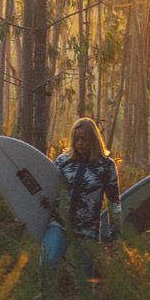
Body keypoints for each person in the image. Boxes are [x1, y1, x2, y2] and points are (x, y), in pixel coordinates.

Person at [40, 117, 122, 288]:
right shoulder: (63, 161)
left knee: (84, 280)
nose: (79, 143)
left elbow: (114, 200)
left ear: (93, 139)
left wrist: (116, 233)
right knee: (46, 263)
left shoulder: (106, 166)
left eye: (84, 139)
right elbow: (48, 189)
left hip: (87, 229)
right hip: (60, 224)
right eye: (76, 139)